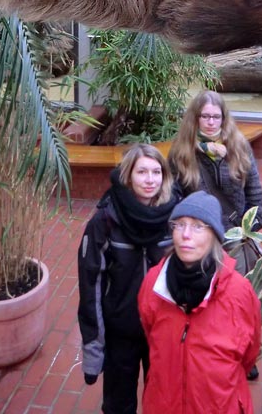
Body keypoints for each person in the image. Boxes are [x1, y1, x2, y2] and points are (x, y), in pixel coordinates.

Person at [77, 143, 180, 414]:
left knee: (163, 401)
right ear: (128, 176)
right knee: (118, 404)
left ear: (164, 176)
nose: (150, 180)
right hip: (120, 330)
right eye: (142, 172)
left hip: (163, 329)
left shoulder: (178, 217)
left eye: (156, 172)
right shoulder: (106, 221)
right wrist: (93, 348)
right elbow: (91, 286)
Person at [138, 191, 262, 414]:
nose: (186, 234)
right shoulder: (153, 284)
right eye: (179, 225)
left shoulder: (239, 293)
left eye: (197, 226)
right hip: (164, 404)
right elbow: (151, 336)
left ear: (214, 235)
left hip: (219, 405)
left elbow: (249, 353)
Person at [169, 90, 262, 259]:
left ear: (223, 118)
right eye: (205, 116)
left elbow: (254, 190)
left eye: (216, 116)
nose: (211, 122)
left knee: (238, 279)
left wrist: (249, 227)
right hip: (198, 233)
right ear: (195, 118)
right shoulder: (181, 151)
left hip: (234, 232)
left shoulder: (238, 146)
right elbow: (173, 196)